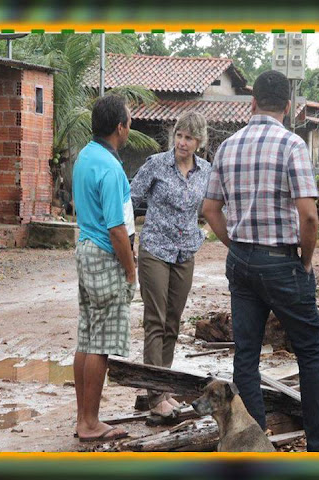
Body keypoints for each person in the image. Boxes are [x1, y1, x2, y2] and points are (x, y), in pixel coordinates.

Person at [203, 70, 319, 452]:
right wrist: (305, 262)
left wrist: (235, 244)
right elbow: (308, 216)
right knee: (309, 351)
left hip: (242, 262)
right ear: (287, 108)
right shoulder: (292, 146)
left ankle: (254, 447)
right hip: (283, 262)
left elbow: (210, 209)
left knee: (247, 358)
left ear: (252, 102)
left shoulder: (228, 147)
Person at [131, 112, 211, 418]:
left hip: (184, 253)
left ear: (199, 142)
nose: (182, 142)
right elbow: (131, 198)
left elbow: (215, 206)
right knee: (156, 319)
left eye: (189, 137)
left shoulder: (206, 172)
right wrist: (127, 240)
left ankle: (161, 386)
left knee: (173, 322)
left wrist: (207, 234)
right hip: (155, 249)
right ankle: (156, 395)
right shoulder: (156, 164)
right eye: (179, 135)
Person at [71, 94, 136, 442]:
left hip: (84, 248)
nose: (129, 128)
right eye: (128, 121)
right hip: (104, 253)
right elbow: (116, 228)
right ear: (119, 127)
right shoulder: (110, 167)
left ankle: (83, 417)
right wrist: (130, 271)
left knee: (86, 336)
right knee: (100, 343)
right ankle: (91, 422)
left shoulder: (85, 156)